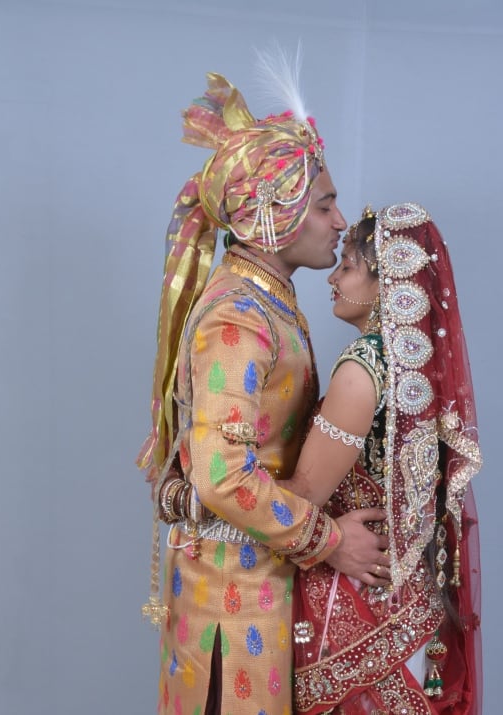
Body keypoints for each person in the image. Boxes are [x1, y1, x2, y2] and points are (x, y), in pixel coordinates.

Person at [136, 69, 390, 715]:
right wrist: (333, 540)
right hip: (232, 598)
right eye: (325, 204)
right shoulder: (239, 318)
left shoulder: (268, 300)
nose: (339, 221)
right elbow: (223, 476)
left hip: (259, 581)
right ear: (271, 215)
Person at [281, 202, 484, 714]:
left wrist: (221, 494)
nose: (333, 277)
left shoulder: (361, 369)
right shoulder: (418, 380)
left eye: (348, 266)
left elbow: (304, 496)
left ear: (385, 285)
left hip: (355, 595)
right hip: (411, 604)